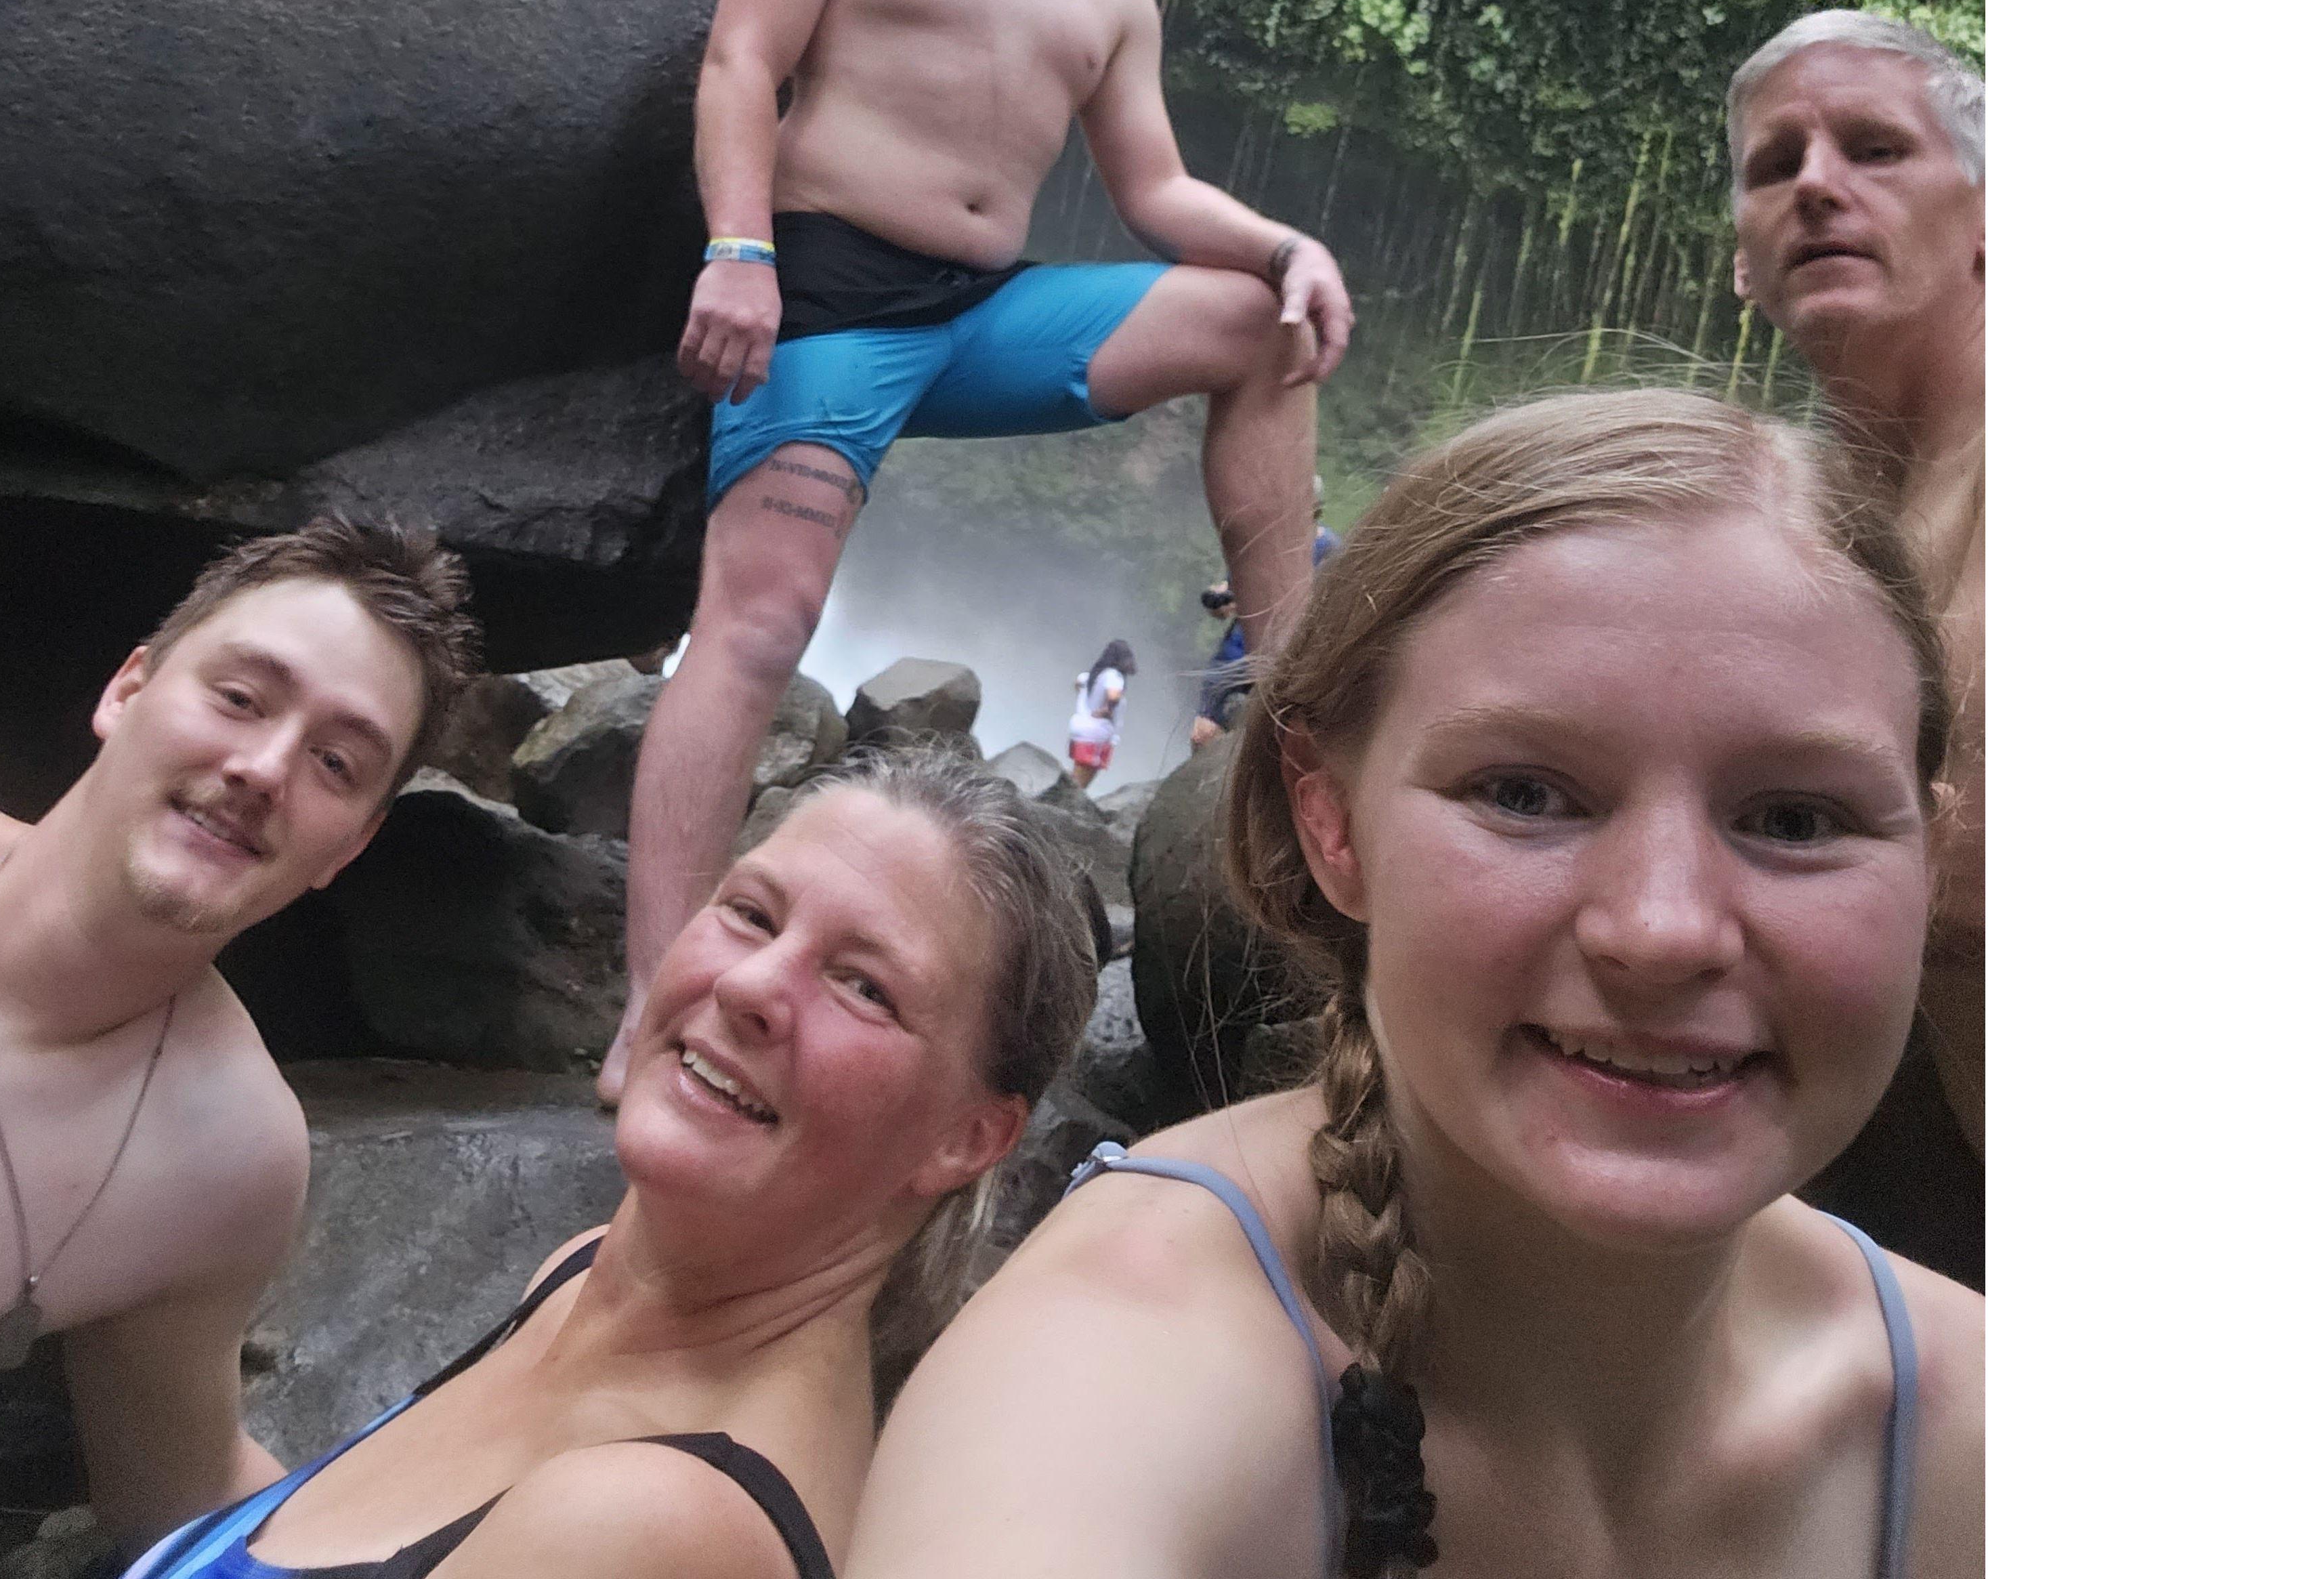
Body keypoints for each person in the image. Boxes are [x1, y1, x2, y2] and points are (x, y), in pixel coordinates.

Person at [845, 391, 1984, 1579]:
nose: (1662, 929)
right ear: (1328, 818)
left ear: (1930, 850)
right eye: (1526, 795)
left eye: (1796, 819)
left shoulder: (1979, 1426)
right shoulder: (1099, 1373)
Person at [605, 0, 1355, 1098]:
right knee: (754, 628)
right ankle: (650, 998)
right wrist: (738, 250)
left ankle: (1287, 670)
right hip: (824, 301)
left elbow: (1152, 191)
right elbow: (738, 62)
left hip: (985, 309)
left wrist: (1282, 246)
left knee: (1258, 323)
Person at [125, 746, 1101, 1579]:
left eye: (863, 987)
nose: (754, 983)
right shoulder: (583, 1272)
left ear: (966, 1139)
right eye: (753, 914)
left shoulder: (651, 1525)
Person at [0, 515, 481, 1546]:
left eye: (335, 763)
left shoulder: (224, 1157)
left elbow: (180, 1497)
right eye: (240, 700)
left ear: (353, 847)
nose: (264, 768)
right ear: (129, 689)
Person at [1729, 9, 1985, 1282]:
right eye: (1777, 166)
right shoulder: (1792, 517)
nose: (1818, 183)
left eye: (1875, 148)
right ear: (1742, 261)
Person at [1190, 480, 1340, 746]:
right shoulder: (1261, 545)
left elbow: (1332, 611)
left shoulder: (1329, 551)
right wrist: (1219, 600)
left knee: (1276, 742)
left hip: (1290, 660)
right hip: (1237, 654)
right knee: (1203, 735)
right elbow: (1228, 600)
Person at [1068, 641, 1132, 782]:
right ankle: (1061, 802)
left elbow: (1078, 683)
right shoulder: (1113, 675)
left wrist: (1088, 703)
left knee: (1077, 774)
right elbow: (1114, 695)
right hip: (1096, 733)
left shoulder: (1092, 676)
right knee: (1080, 783)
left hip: (1080, 728)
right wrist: (1107, 710)